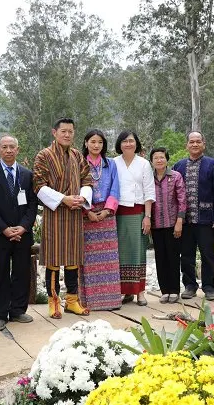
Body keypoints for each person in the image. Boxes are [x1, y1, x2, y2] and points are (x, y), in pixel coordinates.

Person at [33, 118, 93, 319]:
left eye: (70, 132)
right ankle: (54, 302)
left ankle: (73, 301)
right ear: (54, 132)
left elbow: (87, 178)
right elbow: (38, 185)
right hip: (55, 213)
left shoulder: (77, 155)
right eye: (63, 131)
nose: (67, 135)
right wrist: (64, 199)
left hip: (75, 212)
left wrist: (82, 197)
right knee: (53, 258)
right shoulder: (44, 155)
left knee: (73, 258)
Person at [0, 134, 38, 330]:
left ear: (17, 150)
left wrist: (23, 226)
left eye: (11, 147)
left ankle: (18, 310)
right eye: (4, 147)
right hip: (1, 235)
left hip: (23, 234)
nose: (8, 150)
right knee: (0, 273)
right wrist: (4, 229)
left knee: (22, 273)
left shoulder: (27, 175)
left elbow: (32, 204)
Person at [173, 131, 214, 301]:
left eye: (198, 141)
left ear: (204, 144)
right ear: (186, 145)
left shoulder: (213, 165)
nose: (195, 144)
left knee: (207, 254)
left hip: (205, 219)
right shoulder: (178, 166)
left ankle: (209, 286)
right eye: (191, 142)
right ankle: (189, 285)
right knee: (186, 254)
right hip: (185, 221)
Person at [80, 129, 122, 310]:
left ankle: (111, 300)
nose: (96, 145)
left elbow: (115, 187)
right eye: (93, 142)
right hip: (86, 214)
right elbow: (75, 187)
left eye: (100, 142)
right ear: (86, 143)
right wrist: (87, 211)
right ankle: (90, 301)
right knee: (89, 259)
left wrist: (106, 211)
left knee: (109, 259)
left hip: (107, 214)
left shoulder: (110, 164)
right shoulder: (79, 163)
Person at [113, 131, 155, 306]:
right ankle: (125, 292)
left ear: (136, 144)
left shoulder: (144, 164)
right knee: (121, 254)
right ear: (119, 144)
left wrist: (147, 216)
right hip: (117, 213)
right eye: (124, 141)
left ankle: (140, 292)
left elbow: (149, 191)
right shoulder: (113, 163)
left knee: (138, 253)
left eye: (131, 141)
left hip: (138, 212)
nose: (128, 144)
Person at [149, 147, 186, 304]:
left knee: (173, 257)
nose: (159, 160)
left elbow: (182, 200)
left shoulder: (175, 176)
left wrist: (179, 221)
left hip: (172, 224)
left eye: (162, 157)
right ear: (151, 161)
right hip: (156, 224)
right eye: (156, 158)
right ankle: (164, 291)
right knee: (160, 257)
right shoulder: (149, 178)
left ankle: (174, 290)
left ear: (167, 159)